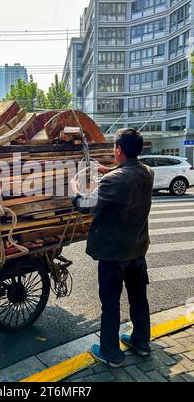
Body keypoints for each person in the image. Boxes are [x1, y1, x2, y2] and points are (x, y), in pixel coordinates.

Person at [71, 128, 154, 368]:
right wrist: (108, 170)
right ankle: (141, 343)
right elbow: (128, 176)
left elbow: (85, 205)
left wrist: (73, 188)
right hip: (137, 249)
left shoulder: (114, 181)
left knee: (110, 303)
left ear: (118, 150)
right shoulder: (147, 172)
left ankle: (110, 352)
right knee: (139, 298)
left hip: (114, 253)